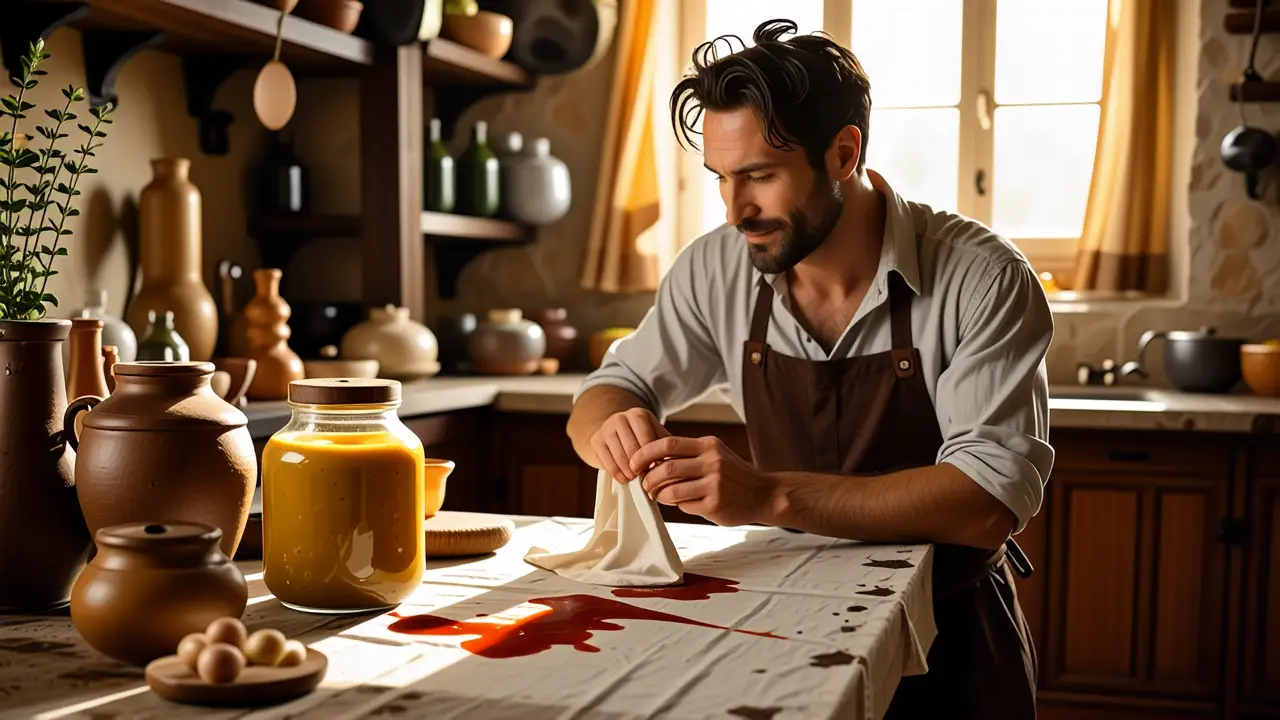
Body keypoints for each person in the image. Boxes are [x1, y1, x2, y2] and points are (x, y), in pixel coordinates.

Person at [565, 18, 1051, 719]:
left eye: (760, 176)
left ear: (843, 154)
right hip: (783, 625)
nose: (736, 211)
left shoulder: (983, 276)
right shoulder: (715, 266)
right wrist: (612, 428)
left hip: (953, 640)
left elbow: (983, 503)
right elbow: (607, 391)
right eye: (721, 179)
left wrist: (767, 496)